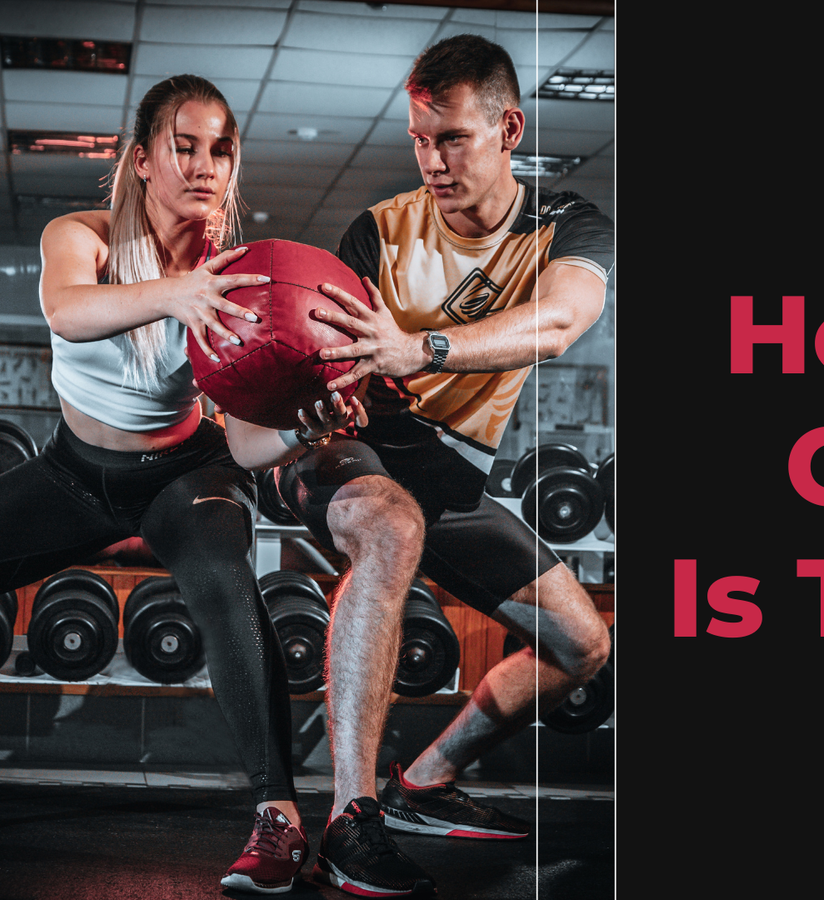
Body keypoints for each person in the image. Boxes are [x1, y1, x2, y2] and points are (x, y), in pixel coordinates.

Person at [0, 74, 363, 896]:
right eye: (182, 145)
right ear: (142, 160)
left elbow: (251, 438)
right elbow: (66, 311)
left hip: (186, 472)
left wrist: (308, 423)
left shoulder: (240, 277)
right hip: (75, 474)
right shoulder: (78, 237)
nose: (202, 164)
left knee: (231, 585)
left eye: (219, 148)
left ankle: (281, 823)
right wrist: (175, 293)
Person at [264, 33, 614, 897]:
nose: (432, 159)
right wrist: (313, 391)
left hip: (448, 468)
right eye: (420, 138)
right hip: (351, 449)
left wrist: (418, 346)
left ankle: (424, 781)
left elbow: (559, 321)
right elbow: (323, 358)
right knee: (391, 525)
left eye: (452, 137)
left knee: (583, 644)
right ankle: (352, 821)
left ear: (509, 130)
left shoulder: (566, 226)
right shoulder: (380, 231)